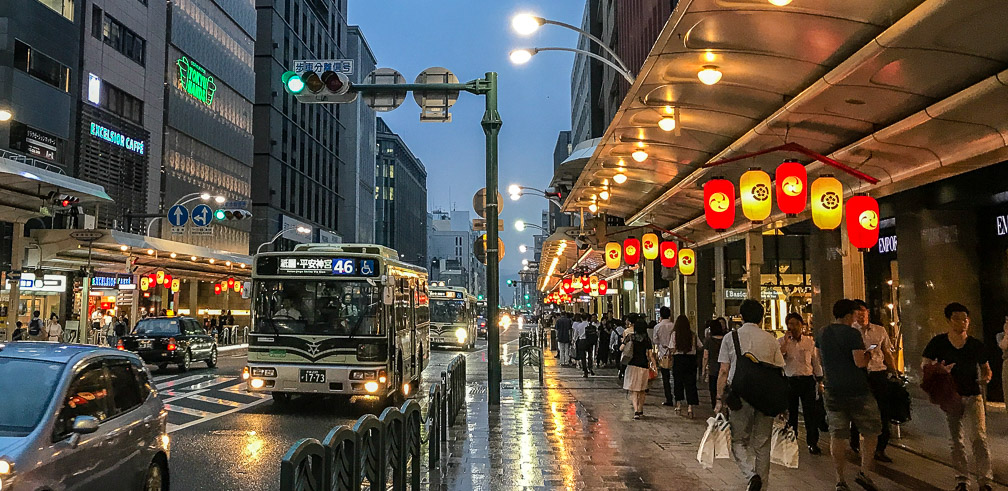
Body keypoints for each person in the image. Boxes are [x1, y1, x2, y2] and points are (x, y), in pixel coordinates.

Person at [922, 303, 993, 491]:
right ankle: (961, 479)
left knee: (978, 437)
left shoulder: (975, 345)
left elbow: (986, 369)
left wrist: (985, 378)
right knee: (956, 439)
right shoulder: (938, 342)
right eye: (957, 318)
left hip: (973, 395)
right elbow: (924, 365)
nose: (962, 322)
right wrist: (940, 369)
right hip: (950, 396)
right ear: (948, 320)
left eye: (965, 319)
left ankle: (985, 480)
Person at [716, 300, 784, 491]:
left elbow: (723, 370)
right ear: (762, 318)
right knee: (762, 444)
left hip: (740, 395)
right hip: (766, 396)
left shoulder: (731, 337)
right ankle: (762, 486)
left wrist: (719, 399)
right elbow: (779, 369)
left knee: (738, 441)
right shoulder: (771, 339)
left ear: (741, 316)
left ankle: (751, 475)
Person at [817, 299, 880, 491]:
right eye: (854, 314)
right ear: (848, 315)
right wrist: (869, 354)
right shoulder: (852, 334)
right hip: (857, 390)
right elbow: (859, 362)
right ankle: (864, 472)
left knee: (838, 434)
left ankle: (840, 479)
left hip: (832, 389)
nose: (856, 318)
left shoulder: (822, 332)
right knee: (871, 430)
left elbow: (819, 359)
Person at [849, 299, 898, 462]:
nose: (861, 315)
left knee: (883, 410)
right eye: (857, 312)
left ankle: (881, 448)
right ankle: (855, 443)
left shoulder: (879, 330)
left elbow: (886, 351)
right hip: (859, 373)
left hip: (878, 373)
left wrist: (894, 371)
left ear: (868, 312)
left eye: (863, 311)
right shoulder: (850, 331)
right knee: (859, 409)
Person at [779, 313, 824, 455]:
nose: (793, 327)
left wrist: (820, 378)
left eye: (795, 324)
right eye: (790, 324)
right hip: (790, 380)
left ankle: (813, 442)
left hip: (807, 380)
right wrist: (785, 342)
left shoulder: (809, 342)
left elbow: (815, 361)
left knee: (810, 412)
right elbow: (779, 359)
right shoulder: (782, 341)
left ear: (801, 325)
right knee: (791, 413)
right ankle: (792, 441)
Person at [623, 318, 654, 420]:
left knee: (634, 390)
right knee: (642, 389)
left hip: (632, 365)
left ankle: (636, 410)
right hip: (644, 365)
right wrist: (655, 366)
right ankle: (640, 409)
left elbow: (621, 348)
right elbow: (650, 355)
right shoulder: (647, 339)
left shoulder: (630, 337)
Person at [672, 314, 701, 417]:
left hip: (678, 360)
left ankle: (679, 405)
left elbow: (672, 349)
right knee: (691, 384)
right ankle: (690, 408)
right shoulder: (693, 335)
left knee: (678, 383)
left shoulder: (675, 334)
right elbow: (700, 346)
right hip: (690, 360)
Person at [652, 307, 676, 407]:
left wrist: (662, 344)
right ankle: (678, 397)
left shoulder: (657, 327)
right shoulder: (674, 325)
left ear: (660, 315)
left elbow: (655, 340)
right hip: (674, 353)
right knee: (676, 376)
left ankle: (668, 398)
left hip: (663, 353)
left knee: (665, 378)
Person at [701, 319, 725, 410]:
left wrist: (703, 370)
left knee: (713, 389)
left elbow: (705, 356)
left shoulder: (709, 341)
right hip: (726, 368)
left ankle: (715, 407)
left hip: (713, 369)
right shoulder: (726, 339)